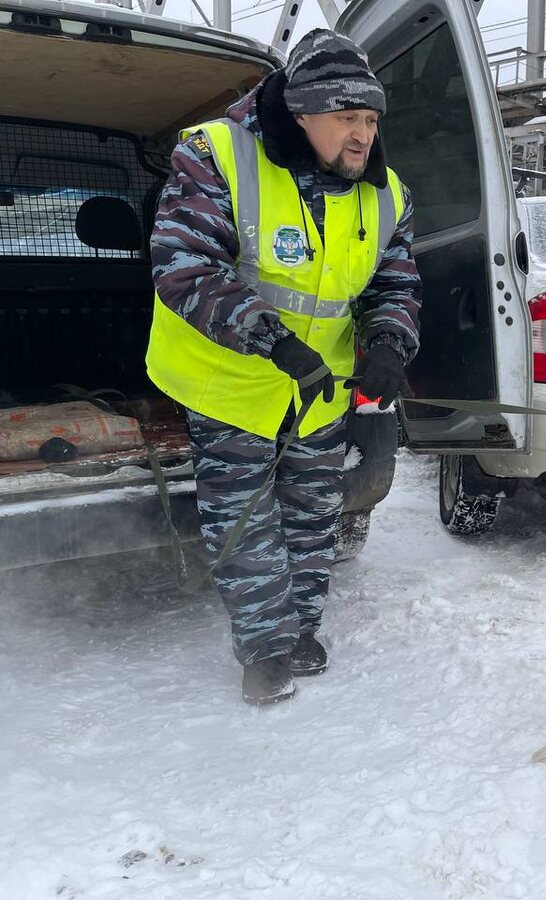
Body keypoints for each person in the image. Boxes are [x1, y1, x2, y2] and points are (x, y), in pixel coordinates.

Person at [146, 29, 421, 705]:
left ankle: (301, 629)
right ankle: (264, 648)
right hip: (230, 380)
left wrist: (388, 344)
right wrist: (272, 341)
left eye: (370, 119)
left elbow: (395, 284)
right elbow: (185, 267)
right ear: (301, 115)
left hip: (320, 390)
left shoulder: (385, 191)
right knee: (246, 518)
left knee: (311, 512)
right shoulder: (215, 153)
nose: (362, 136)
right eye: (346, 119)